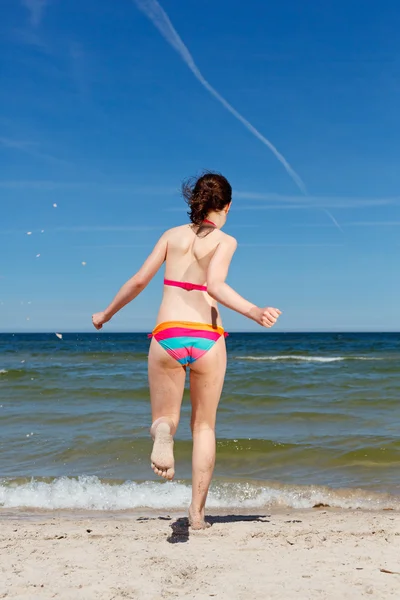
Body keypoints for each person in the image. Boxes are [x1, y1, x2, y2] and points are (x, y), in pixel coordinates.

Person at [92, 172, 281, 529]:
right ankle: (196, 514)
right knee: (204, 427)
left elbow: (138, 281)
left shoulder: (171, 235)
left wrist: (106, 313)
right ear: (226, 206)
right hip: (208, 338)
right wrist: (254, 311)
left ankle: (163, 432)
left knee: (166, 417)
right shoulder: (226, 241)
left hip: (167, 335)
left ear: (195, 201)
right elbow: (215, 285)